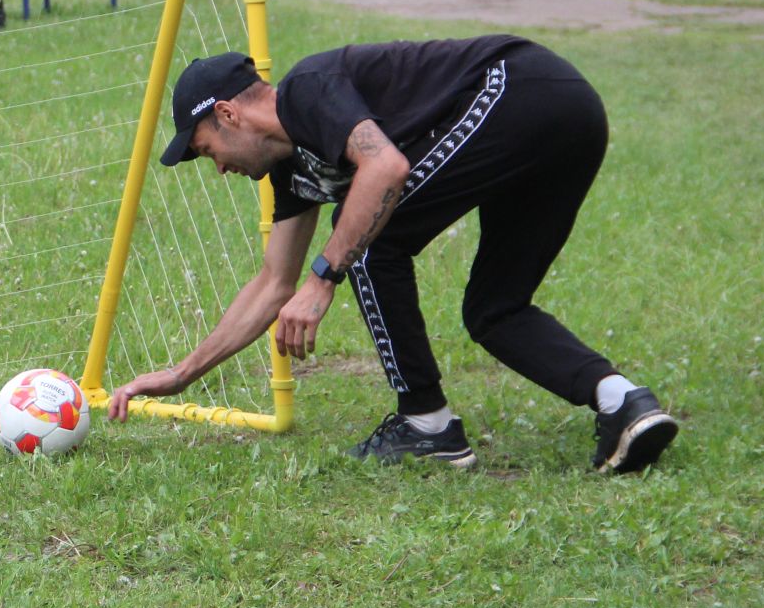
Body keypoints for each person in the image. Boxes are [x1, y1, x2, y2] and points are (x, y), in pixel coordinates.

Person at [107, 36, 679, 474]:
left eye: (208, 150)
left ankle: (426, 424)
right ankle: (625, 403)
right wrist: (182, 375)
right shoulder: (291, 172)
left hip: (523, 88)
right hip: (566, 118)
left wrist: (325, 276)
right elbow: (273, 283)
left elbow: (385, 169)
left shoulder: (308, 89)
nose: (221, 168)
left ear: (228, 114)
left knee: (370, 230)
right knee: (495, 310)